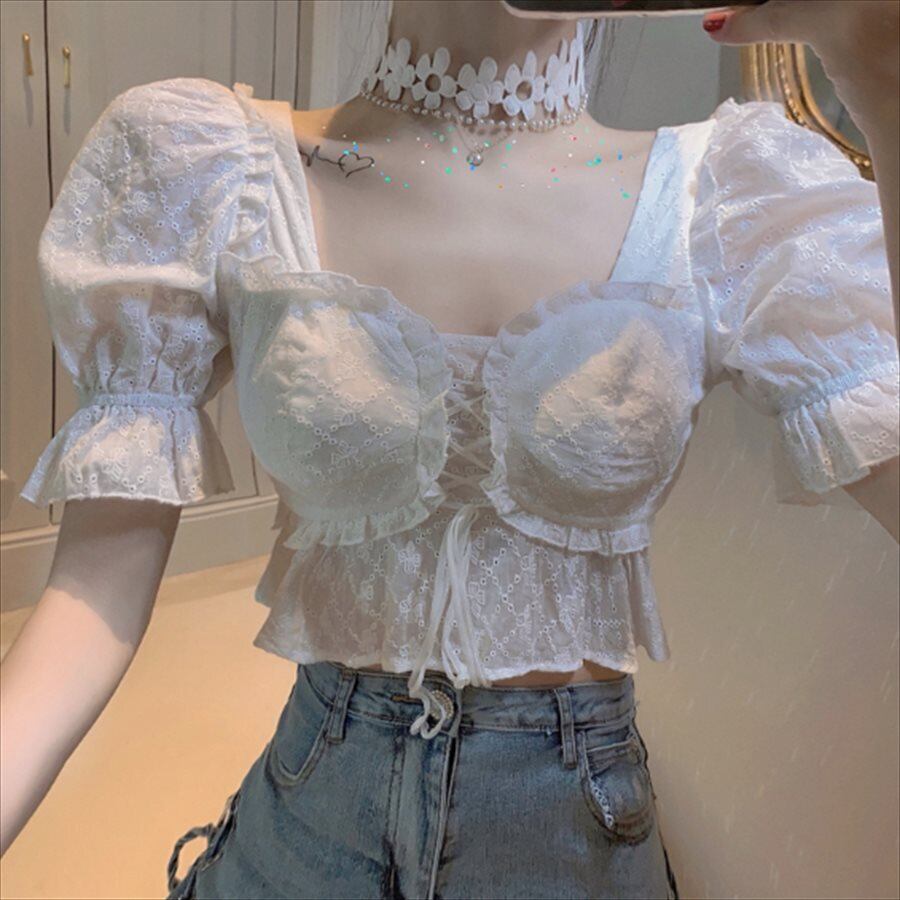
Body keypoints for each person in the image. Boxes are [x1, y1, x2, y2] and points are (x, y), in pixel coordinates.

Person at [1, 1, 898, 897]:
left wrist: (877, 67)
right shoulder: (213, 165)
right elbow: (91, 599)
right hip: (309, 819)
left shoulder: (732, 194)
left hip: (571, 837)